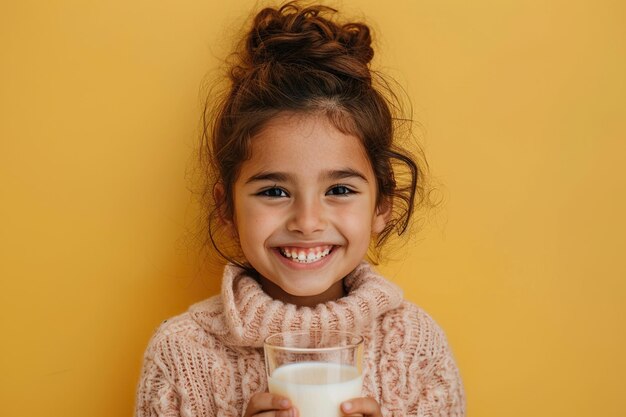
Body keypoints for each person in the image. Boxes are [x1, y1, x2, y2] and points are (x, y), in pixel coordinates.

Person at [135, 2, 465, 416]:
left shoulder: (417, 347)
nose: (307, 222)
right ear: (227, 209)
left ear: (382, 205)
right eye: (274, 192)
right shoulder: (180, 353)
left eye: (340, 189)